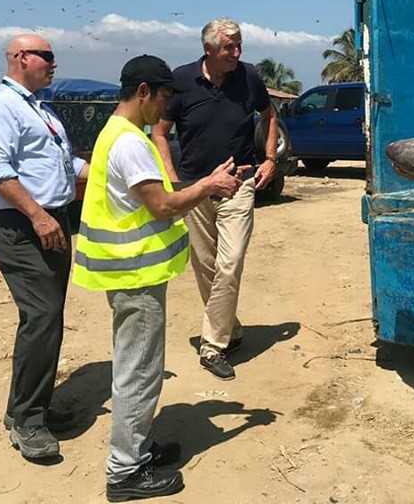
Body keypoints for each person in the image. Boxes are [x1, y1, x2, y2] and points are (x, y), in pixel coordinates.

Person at [73, 55, 243, 501]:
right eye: (165, 96)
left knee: (138, 366)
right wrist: (208, 186)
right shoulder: (130, 143)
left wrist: (206, 181)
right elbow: (163, 206)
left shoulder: (117, 133)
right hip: (136, 276)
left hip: (131, 272)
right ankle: (125, 471)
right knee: (140, 371)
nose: (167, 106)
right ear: (144, 91)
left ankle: (139, 447)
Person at [0, 33, 89, 461]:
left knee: (46, 319)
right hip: (23, 226)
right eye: (47, 56)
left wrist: (112, 171)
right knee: (42, 317)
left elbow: (64, 163)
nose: (54, 64)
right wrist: (38, 216)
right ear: (21, 57)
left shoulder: (39, 108)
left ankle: (27, 406)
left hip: (51, 222)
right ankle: (28, 421)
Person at [151, 18, 279, 381]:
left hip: (239, 183)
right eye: (229, 47)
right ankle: (230, 328)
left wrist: (270, 159)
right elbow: (160, 132)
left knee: (230, 262)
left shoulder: (249, 76)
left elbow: (269, 115)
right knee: (206, 266)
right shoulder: (182, 79)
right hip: (195, 187)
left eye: (239, 45)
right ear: (208, 49)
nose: (237, 52)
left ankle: (212, 345)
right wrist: (172, 179)